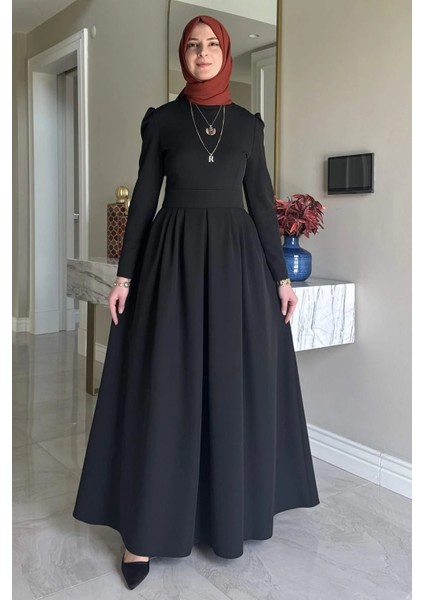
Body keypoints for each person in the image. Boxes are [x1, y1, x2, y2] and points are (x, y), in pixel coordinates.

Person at [72, 14, 320, 591]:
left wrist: (281, 279)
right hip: (172, 263)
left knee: (227, 387)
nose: (202, 53)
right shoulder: (161, 121)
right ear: (182, 56)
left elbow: (262, 204)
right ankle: (143, 532)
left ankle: (221, 516)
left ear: (224, 54)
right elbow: (143, 201)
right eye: (192, 45)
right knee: (167, 387)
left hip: (237, 268)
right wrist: (124, 277)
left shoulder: (249, 127)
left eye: (211, 45)